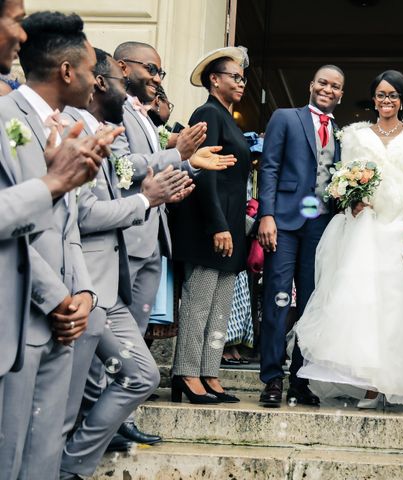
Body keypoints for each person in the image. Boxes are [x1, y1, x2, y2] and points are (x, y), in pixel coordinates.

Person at [58, 47, 199, 476]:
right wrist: (146, 198)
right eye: (121, 80)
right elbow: (83, 216)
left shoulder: (101, 128)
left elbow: (122, 178)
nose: (135, 88)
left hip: (108, 284)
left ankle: (71, 466)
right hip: (81, 286)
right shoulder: (71, 129)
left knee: (140, 375)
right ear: (100, 80)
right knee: (66, 402)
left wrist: (157, 192)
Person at [0, 11, 114, 479]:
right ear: (67, 70)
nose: (97, 82)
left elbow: (67, 222)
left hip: (64, 315)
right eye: (91, 71)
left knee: (45, 454)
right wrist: (57, 299)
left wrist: (84, 293)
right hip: (22, 314)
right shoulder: (8, 118)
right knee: (10, 456)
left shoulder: (70, 125)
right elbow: (18, 217)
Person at [295, 70, 403, 408]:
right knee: (364, 304)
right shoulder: (357, 136)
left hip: (401, 226)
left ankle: (393, 381)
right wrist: (355, 199)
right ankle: (368, 384)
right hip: (368, 225)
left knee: (398, 307)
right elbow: (344, 179)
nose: (386, 101)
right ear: (374, 99)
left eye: (393, 95)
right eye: (381, 95)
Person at [110, 40, 235, 438]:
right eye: (151, 69)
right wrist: (178, 156)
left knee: (144, 333)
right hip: (139, 233)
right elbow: (124, 167)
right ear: (121, 67)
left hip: (154, 230)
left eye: (161, 72)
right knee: (128, 336)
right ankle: (174, 380)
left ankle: (125, 418)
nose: (158, 79)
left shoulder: (143, 115)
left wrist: (174, 186)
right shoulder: (117, 112)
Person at [256, 65, 344, 407]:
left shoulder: (340, 131)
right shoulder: (285, 117)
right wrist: (266, 214)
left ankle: (300, 380)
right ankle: (272, 380)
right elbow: (270, 166)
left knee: (311, 306)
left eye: (335, 86)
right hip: (285, 223)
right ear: (311, 84)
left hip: (321, 226)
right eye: (322, 82)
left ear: (341, 93)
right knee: (278, 301)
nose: (328, 89)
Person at [169, 46, 250, 404]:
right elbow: (202, 170)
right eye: (235, 76)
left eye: (243, 77)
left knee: (220, 307)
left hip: (230, 225)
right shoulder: (207, 112)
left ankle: (209, 372)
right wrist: (218, 225)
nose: (241, 82)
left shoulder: (229, 117)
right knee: (199, 303)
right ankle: (186, 373)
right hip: (208, 225)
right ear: (214, 79)